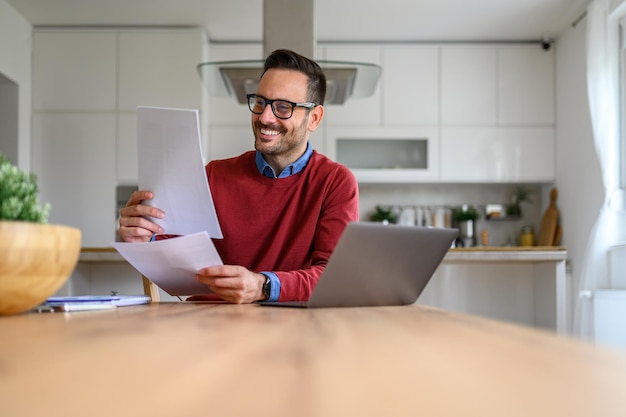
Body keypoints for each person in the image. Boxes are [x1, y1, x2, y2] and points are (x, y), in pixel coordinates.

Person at [118, 49, 359, 304]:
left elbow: (334, 278)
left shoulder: (335, 182)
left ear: (315, 118)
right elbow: (171, 252)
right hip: (207, 324)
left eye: (282, 107)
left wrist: (263, 286)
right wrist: (145, 237)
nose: (265, 117)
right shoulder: (213, 175)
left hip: (290, 326)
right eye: (260, 102)